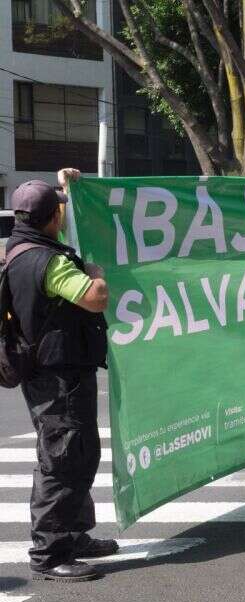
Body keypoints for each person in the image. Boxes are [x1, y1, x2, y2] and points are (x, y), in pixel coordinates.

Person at [7, 169, 116, 581]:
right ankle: (50, 553)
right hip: (58, 378)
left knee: (78, 454)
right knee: (63, 459)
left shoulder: (22, 247)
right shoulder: (47, 261)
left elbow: (53, 209)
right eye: (60, 210)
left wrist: (68, 185)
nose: (64, 216)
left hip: (51, 373)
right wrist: (96, 272)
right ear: (51, 219)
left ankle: (73, 534)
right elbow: (95, 298)